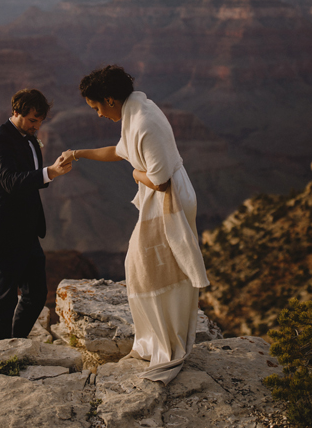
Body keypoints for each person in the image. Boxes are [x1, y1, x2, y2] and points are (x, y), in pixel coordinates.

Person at [61, 65, 209, 384]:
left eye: (97, 107)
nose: (99, 114)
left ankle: (168, 345)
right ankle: (156, 340)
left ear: (111, 99)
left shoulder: (144, 121)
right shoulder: (135, 111)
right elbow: (120, 151)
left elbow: (159, 181)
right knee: (143, 268)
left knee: (156, 271)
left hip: (170, 202)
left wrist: (133, 175)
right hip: (162, 201)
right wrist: (78, 154)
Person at [0, 88, 71, 341]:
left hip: (27, 232)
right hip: (3, 233)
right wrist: (49, 172)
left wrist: (52, 170)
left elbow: (31, 177)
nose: (36, 126)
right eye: (32, 120)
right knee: (5, 299)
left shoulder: (30, 137)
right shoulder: (1, 141)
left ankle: (16, 342)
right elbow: (10, 182)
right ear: (16, 111)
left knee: (37, 295)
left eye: (40, 121)